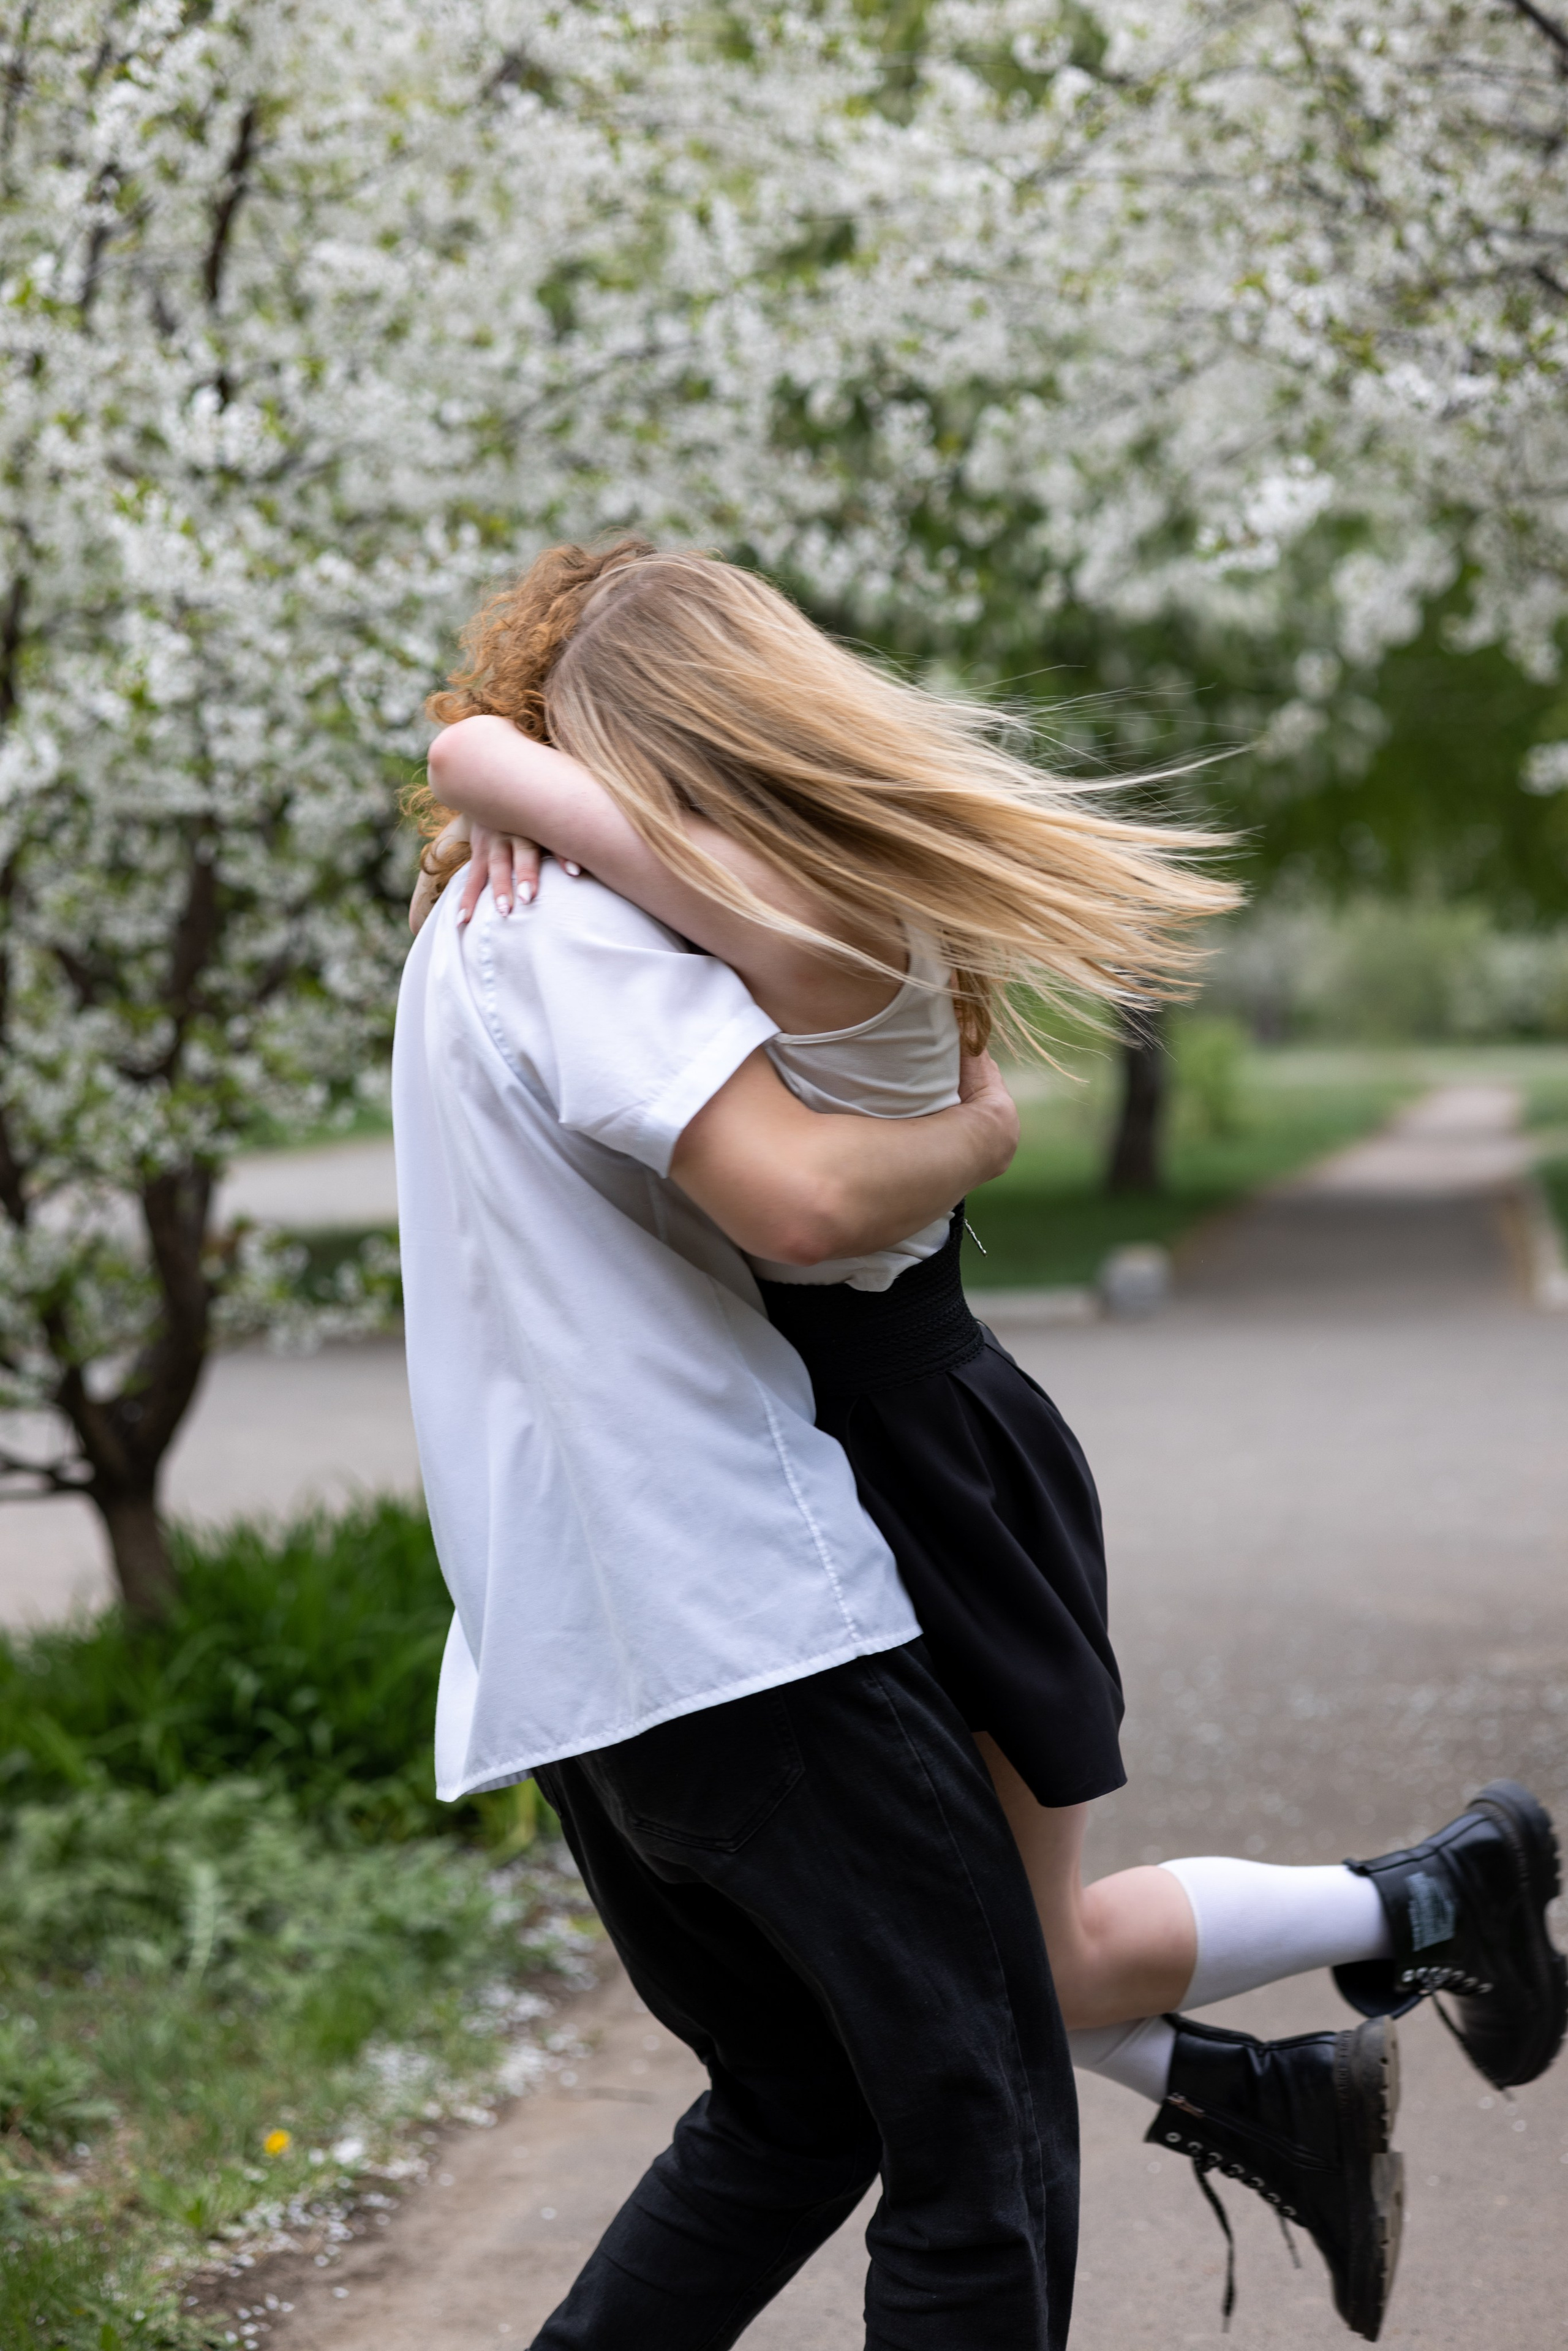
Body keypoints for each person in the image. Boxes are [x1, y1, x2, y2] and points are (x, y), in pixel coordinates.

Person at [413, 536, 1567, 2343]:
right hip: (737, 1588)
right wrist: (495, 770)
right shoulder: (597, 919)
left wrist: (496, 766)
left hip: (812, 1527)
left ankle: (1386, 1960)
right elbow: (794, 1204)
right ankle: (1393, 1947)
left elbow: (791, 1170)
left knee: (939, 2050)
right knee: (969, 2080)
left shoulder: (745, 925)